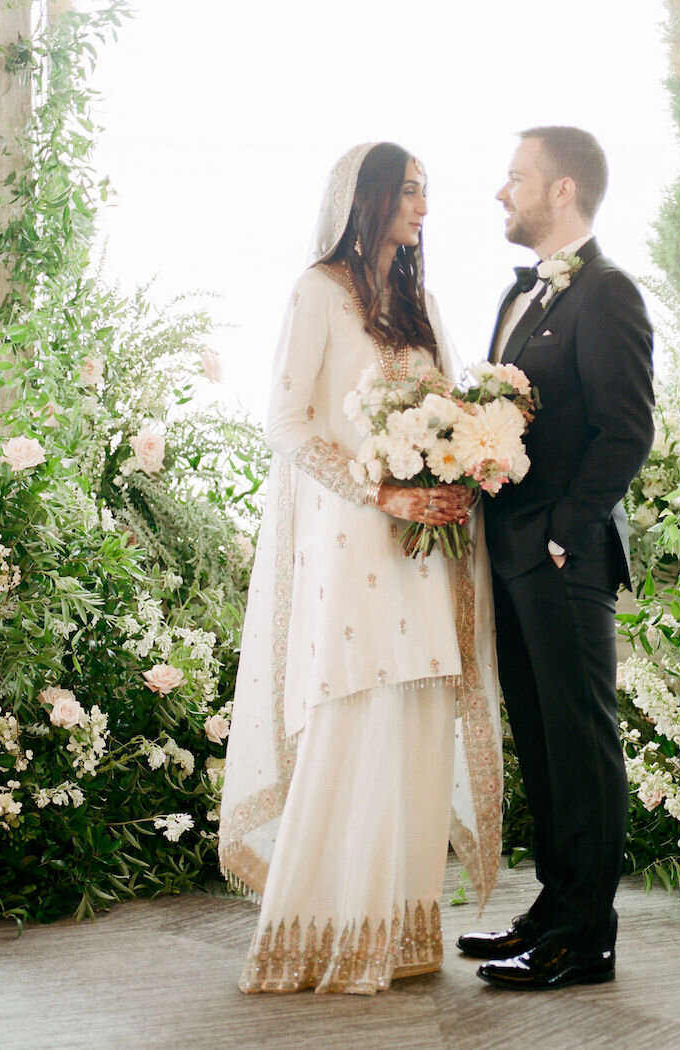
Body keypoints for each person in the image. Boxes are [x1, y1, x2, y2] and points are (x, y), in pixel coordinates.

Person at [219, 142, 503, 995]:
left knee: (415, 709)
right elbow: (287, 423)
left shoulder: (418, 303)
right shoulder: (317, 291)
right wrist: (383, 494)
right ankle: (319, 934)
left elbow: (447, 411)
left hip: (425, 551)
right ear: (370, 199)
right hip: (353, 547)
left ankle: (400, 930)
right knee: (359, 707)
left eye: (426, 192)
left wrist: (460, 466)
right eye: (411, 191)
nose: (423, 206)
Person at [458, 126, 655, 990]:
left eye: (516, 179)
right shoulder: (528, 298)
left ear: (562, 191)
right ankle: (553, 909)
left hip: (563, 559)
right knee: (542, 742)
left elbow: (628, 430)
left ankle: (586, 937)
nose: (503, 194)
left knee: (581, 744)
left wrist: (565, 530)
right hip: (512, 557)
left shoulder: (607, 292)